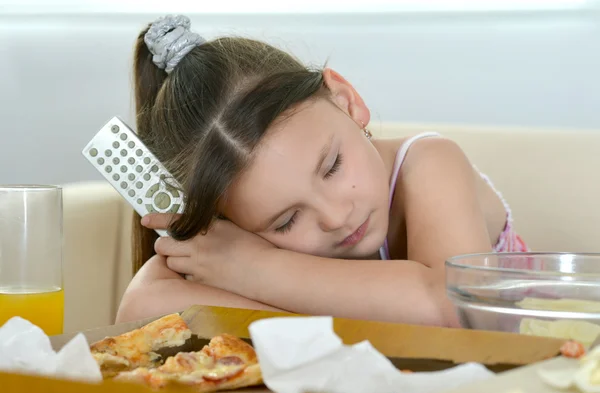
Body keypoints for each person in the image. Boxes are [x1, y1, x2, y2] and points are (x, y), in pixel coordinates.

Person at [116, 15, 529, 326]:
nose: (335, 217)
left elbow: (457, 309)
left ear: (347, 100)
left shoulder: (429, 163)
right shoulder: (243, 235)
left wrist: (257, 270)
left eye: (332, 167)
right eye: (287, 220)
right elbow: (141, 307)